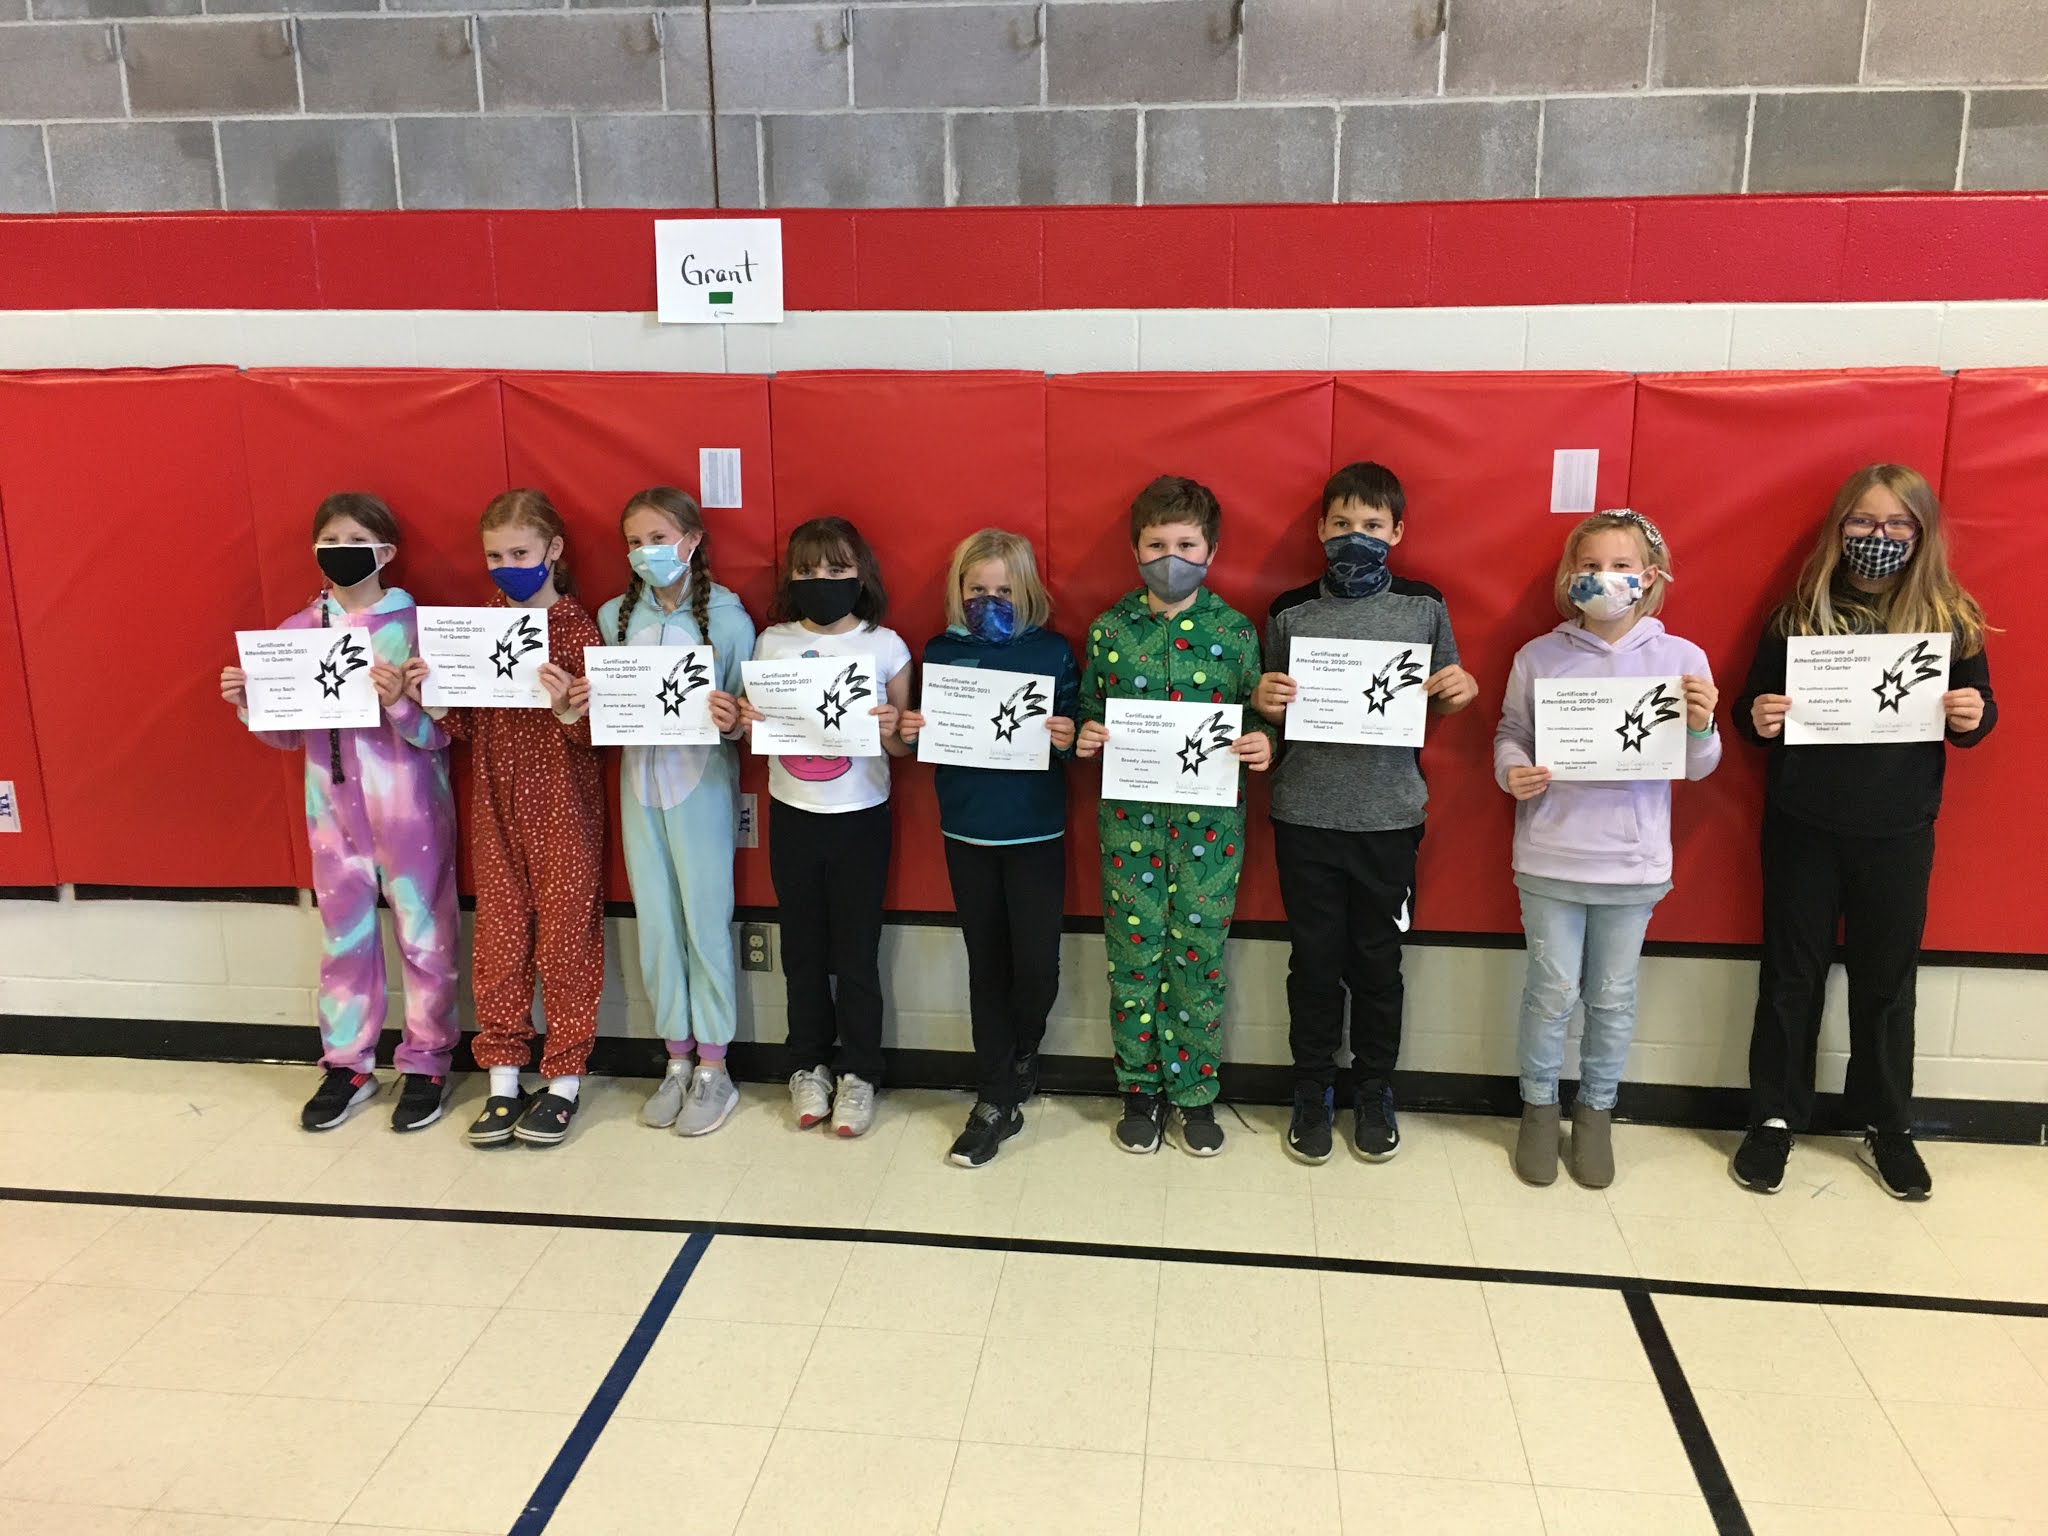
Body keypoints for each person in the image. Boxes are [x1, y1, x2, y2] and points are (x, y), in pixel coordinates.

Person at [1731, 464, 1995, 1202]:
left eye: (1897, 524)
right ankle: (1774, 1118)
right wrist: (1759, 717)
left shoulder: (1950, 616)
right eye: (1864, 522)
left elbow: (1979, 712)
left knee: (1887, 984)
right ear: (1839, 527)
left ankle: (1886, 1123)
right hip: (1803, 826)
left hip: (1899, 829)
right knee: (1791, 977)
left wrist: (1974, 715)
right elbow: (1749, 709)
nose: (1879, 536)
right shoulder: (1799, 613)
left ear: (1921, 532)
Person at [1252, 463, 1476, 1165]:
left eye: (1373, 525)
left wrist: (1458, 691)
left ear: (1397, 532)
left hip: (1389, 818)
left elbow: (1440, 699)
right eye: (1343, 523)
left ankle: (1375, 1087)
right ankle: (1312, 1086)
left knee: (1379, 963)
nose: (1357, 535)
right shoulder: (1289, 611)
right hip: (1305, 815)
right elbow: (1273, 718)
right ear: (1321, 529)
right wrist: (1263, 703)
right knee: (1314, 963)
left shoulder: (1423, 606)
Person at [1493, 511, 1720, 1188]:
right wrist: (1512, 770)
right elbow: (1510, 733)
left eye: (1621, 567)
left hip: (1632, 863)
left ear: (1649, 577)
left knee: (1613, 997)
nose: (1603, 578)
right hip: (1550, 857)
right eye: (1589, 566)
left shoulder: (1681, 659)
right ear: (1570, 576)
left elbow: (1699, 767)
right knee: (1550, 992)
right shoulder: (1539, 655)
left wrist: (1702, 727)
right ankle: (1538, 1109)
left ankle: (1596, 1111)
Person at [221, 493, 459, 1133]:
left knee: (425, 935)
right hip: (332, 813)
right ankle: (348, 1064)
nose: (341, 550)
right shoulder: (296, 632)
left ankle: (428, 1060)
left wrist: (401, 703)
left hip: (412, 811)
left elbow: (443, 734)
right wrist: (249, 703)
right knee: (344, 939)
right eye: (330, 539)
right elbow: (285, 735)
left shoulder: (418, 629)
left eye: (356, 539)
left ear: (386, 551)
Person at [1075, 475, 1274, 1157]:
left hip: (1208, 836)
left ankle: (1194, 1091)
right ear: (1136, 549)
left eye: (1186, 544)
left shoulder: (1235, 632)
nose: (1172, 556)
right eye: (1157, 544)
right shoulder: (1108, 630)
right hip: (1128, 827)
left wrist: (1262, 743)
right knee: (1132, 960)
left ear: (1211, 551)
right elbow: (1087, 710)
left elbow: (1256, 717)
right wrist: (1087, 734)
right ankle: (1139, 1087)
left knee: (1199, 961)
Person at [405, 489, 607, 1149]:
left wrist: (569, 709)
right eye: (495, 556)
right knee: (499, 939)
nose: (507, 567)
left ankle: (564, 1080)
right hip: (494, 803)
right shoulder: (481, 624)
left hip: (564, 807)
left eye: (520, 553)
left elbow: (601, 735)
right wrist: (433, 700)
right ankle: (502, 1079)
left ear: (553, 550)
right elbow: (468, 725)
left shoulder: (577, 628)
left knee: (566, 941)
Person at [898, 530, 1079, 1168]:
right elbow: (927, 737)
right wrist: (914, 730)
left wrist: (1068, 736)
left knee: (1037, 968)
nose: (990, 600)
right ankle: (995, 1096)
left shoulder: (1053, 651)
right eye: (978, 589)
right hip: (967, 833)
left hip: (1036, 833)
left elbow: (1079, 732)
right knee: (987, 966)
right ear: (959, 590)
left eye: (1004, 589)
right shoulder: (942, 651)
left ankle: (1023, 1049)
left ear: (1026, 590)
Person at [732, 516, 911, 1139]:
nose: (822, 581)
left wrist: (893, 728)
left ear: (861, 575)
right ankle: (807, 1064)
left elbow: (903, 748)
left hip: (861, 817)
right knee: (802, 952)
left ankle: (860, 1071)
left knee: (857, 954)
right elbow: (757, 735)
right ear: (791, 577)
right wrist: (747, 722)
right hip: (793, 814)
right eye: (807, 570)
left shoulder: (886, 645)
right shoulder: (771, 643)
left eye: (836, 570)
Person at [596, 487, 756, 1139]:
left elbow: (748, 720)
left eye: (658, 538)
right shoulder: (613, 617)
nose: (646, 552)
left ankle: (715, 1066)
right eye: (634, 542)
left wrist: (732, 719)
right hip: (639, 789)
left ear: (691, 540)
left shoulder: (729, 620)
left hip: (703, 789)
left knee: (705, 922)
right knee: (657, 924)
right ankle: (677, 1058)